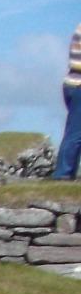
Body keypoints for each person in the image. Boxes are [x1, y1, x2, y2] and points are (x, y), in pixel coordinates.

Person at [58, 21, 81, 180]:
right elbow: (76, 63)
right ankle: (63, 174)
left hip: (73, 85)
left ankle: (65, 174)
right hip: (78, 85)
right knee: (76, 134)